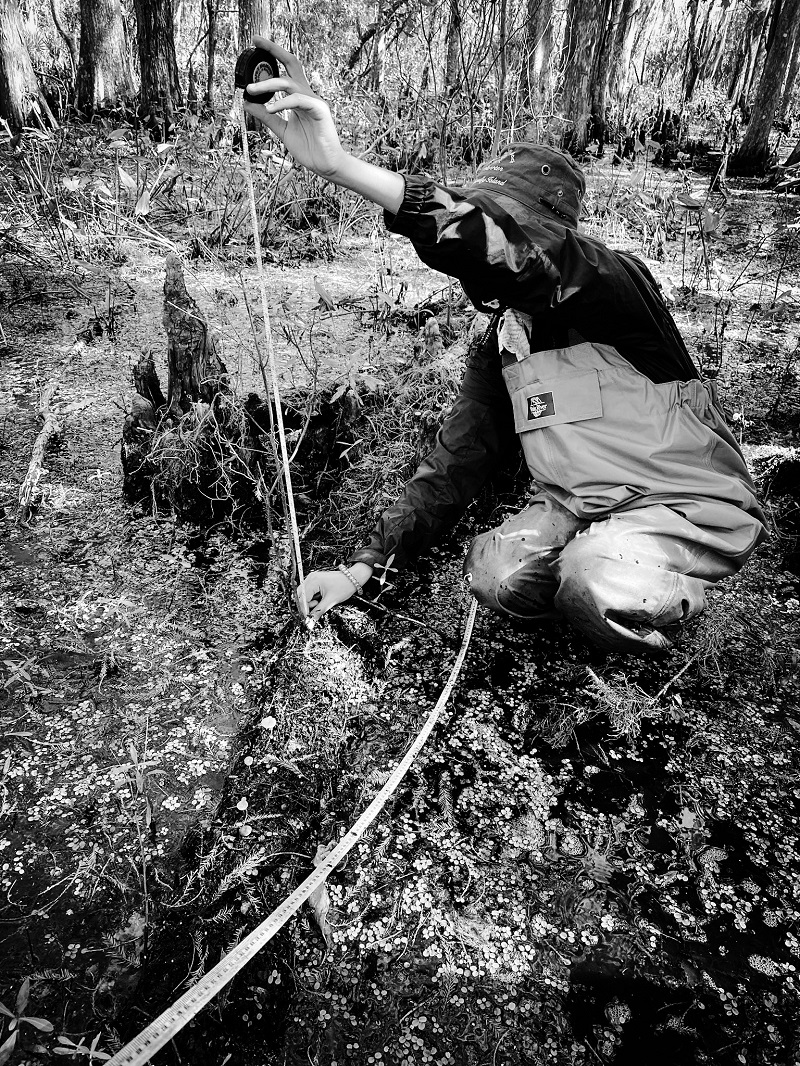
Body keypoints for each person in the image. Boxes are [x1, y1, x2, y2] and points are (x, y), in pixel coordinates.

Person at [244, 39, 767, 653]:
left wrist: (344, 169)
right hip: (581, 509)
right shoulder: (506, 343)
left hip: (684, 506)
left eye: (507, 225)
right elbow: (456, 461)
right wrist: (362, 569)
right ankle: (583, 599)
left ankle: (648, 602)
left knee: (597, 577)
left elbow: (507, 253)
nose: (482, 259)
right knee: (495, 574)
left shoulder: (611, 284)